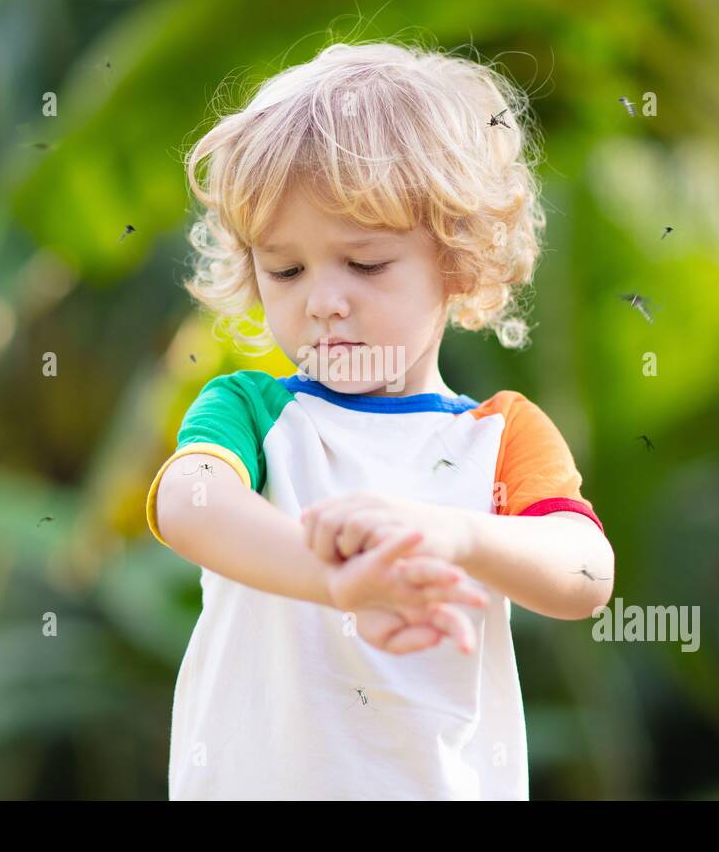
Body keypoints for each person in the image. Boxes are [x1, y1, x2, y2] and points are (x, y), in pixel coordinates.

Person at [146, 40, 614, 800]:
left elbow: (587, 575)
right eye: (286, 269)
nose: (323, 300)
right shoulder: (253, 411)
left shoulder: (499, 435)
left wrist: (458, 534)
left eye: (365, 265)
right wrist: (339, 579)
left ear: (459, 263)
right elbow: (187, 504)